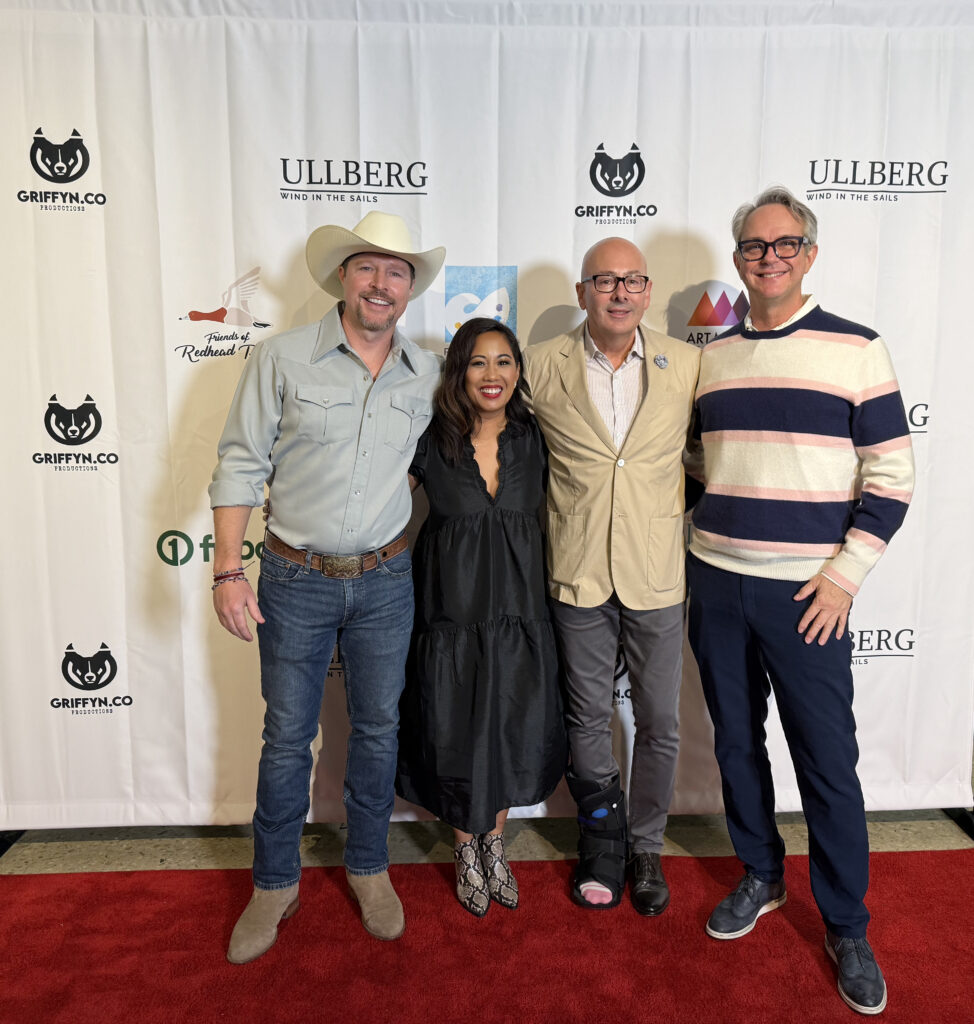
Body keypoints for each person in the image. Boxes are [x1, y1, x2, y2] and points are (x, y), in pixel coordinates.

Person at [684, 186, 914, 1016]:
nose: (768, 256)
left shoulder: (857, 348)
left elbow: (891, 475)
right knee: (737, 747)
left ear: (809, 254)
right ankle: (760, 876)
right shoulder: (711, 356)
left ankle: (847, 924)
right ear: (739, 255)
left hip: (808, 595)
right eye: (753, 244)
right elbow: (695, 465)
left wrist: (845, 575)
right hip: (714, 580)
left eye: (785, 244)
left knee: (826, 761)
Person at [208, 211, 445, 962]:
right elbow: (240, 462)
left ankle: (370, 866)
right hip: (292, 578)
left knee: (379, 731)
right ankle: (274, 882)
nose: (381, 283)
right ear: (344, 276)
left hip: (386, 581)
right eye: (367, 268)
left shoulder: (428, 372)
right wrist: (226, 570)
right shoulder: (282, 358)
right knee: (286, 738)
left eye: (396, 271)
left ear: (411, 287)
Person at [522, 238, 700, 914]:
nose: (620, 293)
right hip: (576, 573)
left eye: (632, 281)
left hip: (657, 575)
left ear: (649, 291)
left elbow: (713, 455)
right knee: (588, 717)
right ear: (582, 293)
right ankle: (601, 842)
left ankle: (647, 846)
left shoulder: (686, 364)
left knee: (659, 720)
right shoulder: (539, 366)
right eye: (605, 281)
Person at [396, 317, 567, 917]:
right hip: (450, 615)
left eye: (503, 362)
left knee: (509, 724)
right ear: (458, 371)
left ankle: (495, 842)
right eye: (477, 362)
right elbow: (380, 498)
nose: (491, 375)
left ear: (518, 370)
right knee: (456, 727)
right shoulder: (430, 438)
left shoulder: (536, 436)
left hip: (521, 614)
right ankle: (465, 848)